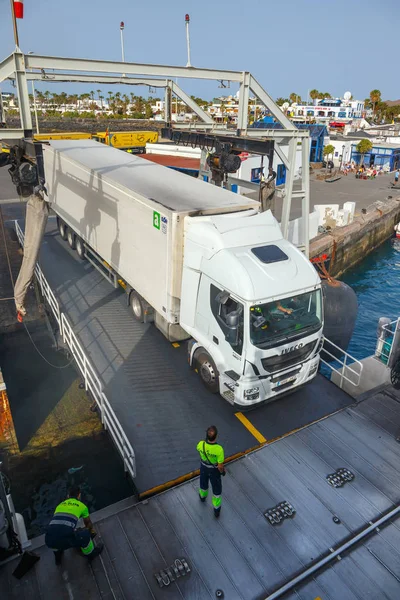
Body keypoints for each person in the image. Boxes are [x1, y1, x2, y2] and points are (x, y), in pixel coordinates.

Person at [45, 486, 103, 565]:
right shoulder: (82, 506)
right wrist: (90, 532)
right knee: (85, 534)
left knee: (55, 535)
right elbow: (88, 523)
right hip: (66, 540)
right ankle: (91, 554)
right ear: (79, 495)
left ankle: (58, 558)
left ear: (68, 496)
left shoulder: (60, 505)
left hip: (49, 540)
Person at [197, 426, 225, 518]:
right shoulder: (219, 449)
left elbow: (199, 452)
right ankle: (216, 510)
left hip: (204, 468)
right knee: (216, 490)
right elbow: (220, 466)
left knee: (203, 483)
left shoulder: (201, 444)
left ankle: (202, 497)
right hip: (214, 471)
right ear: (216, 437)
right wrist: (222, 472)